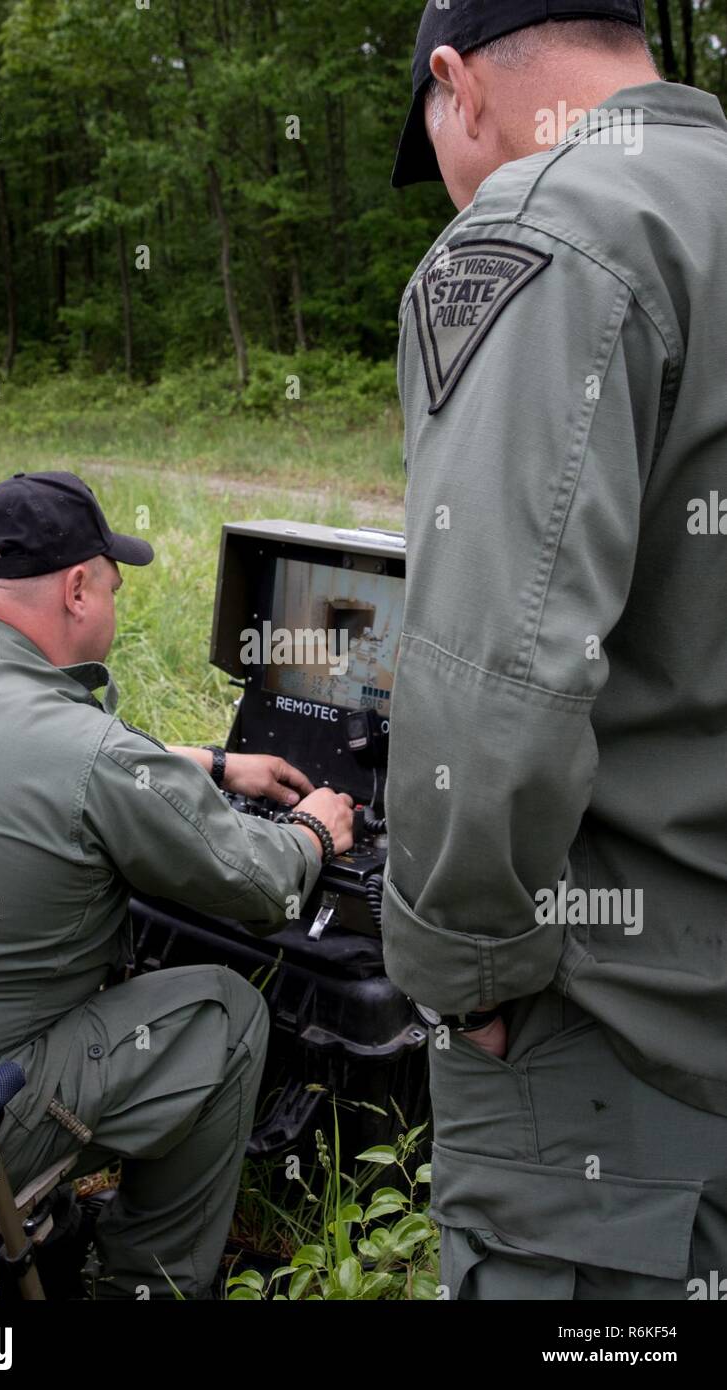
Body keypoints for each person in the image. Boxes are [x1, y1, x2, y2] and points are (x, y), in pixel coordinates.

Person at [382, 1, 727, 1299]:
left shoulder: (545, 229)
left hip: (617, 1069)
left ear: (457, 84)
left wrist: (460, 981)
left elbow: (489, 689)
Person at [0, 470, 353, 1298]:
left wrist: (206, 764)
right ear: (79, 588)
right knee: (225, 1016)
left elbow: (11, 754)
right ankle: (145, 1286)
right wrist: (316, 830)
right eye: (116, 587)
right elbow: (258, 884)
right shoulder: (95, 760)